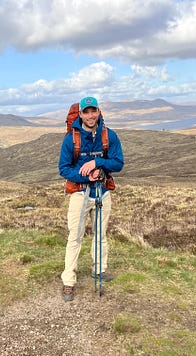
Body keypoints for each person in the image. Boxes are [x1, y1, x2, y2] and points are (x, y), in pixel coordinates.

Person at [58, 96, 124, 302]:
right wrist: (86, 176)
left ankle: (99, 270)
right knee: (75, 237)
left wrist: (98, 162)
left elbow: (118, 163)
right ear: (80, 114)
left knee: (100, 234)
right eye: (86, 112)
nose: (90, 115)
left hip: (102, 191)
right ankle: (69, 280)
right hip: (79, 193)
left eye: (93, 111)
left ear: (98, 112)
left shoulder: (108, 136)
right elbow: (64, 169)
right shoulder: (71, 139)